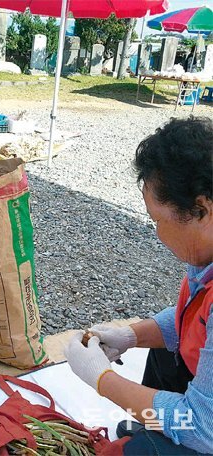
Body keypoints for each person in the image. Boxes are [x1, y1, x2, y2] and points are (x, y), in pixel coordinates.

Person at [65, 117, 213, 455]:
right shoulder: (204, 257)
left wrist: (102, 380)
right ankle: (149, 427)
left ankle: (149, 438)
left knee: (137, 451)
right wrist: (131, 336)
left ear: (201, 209)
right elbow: (190, 318)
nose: (157, 233)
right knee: (163, 354)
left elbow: (204, 426)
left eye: (157, 220)